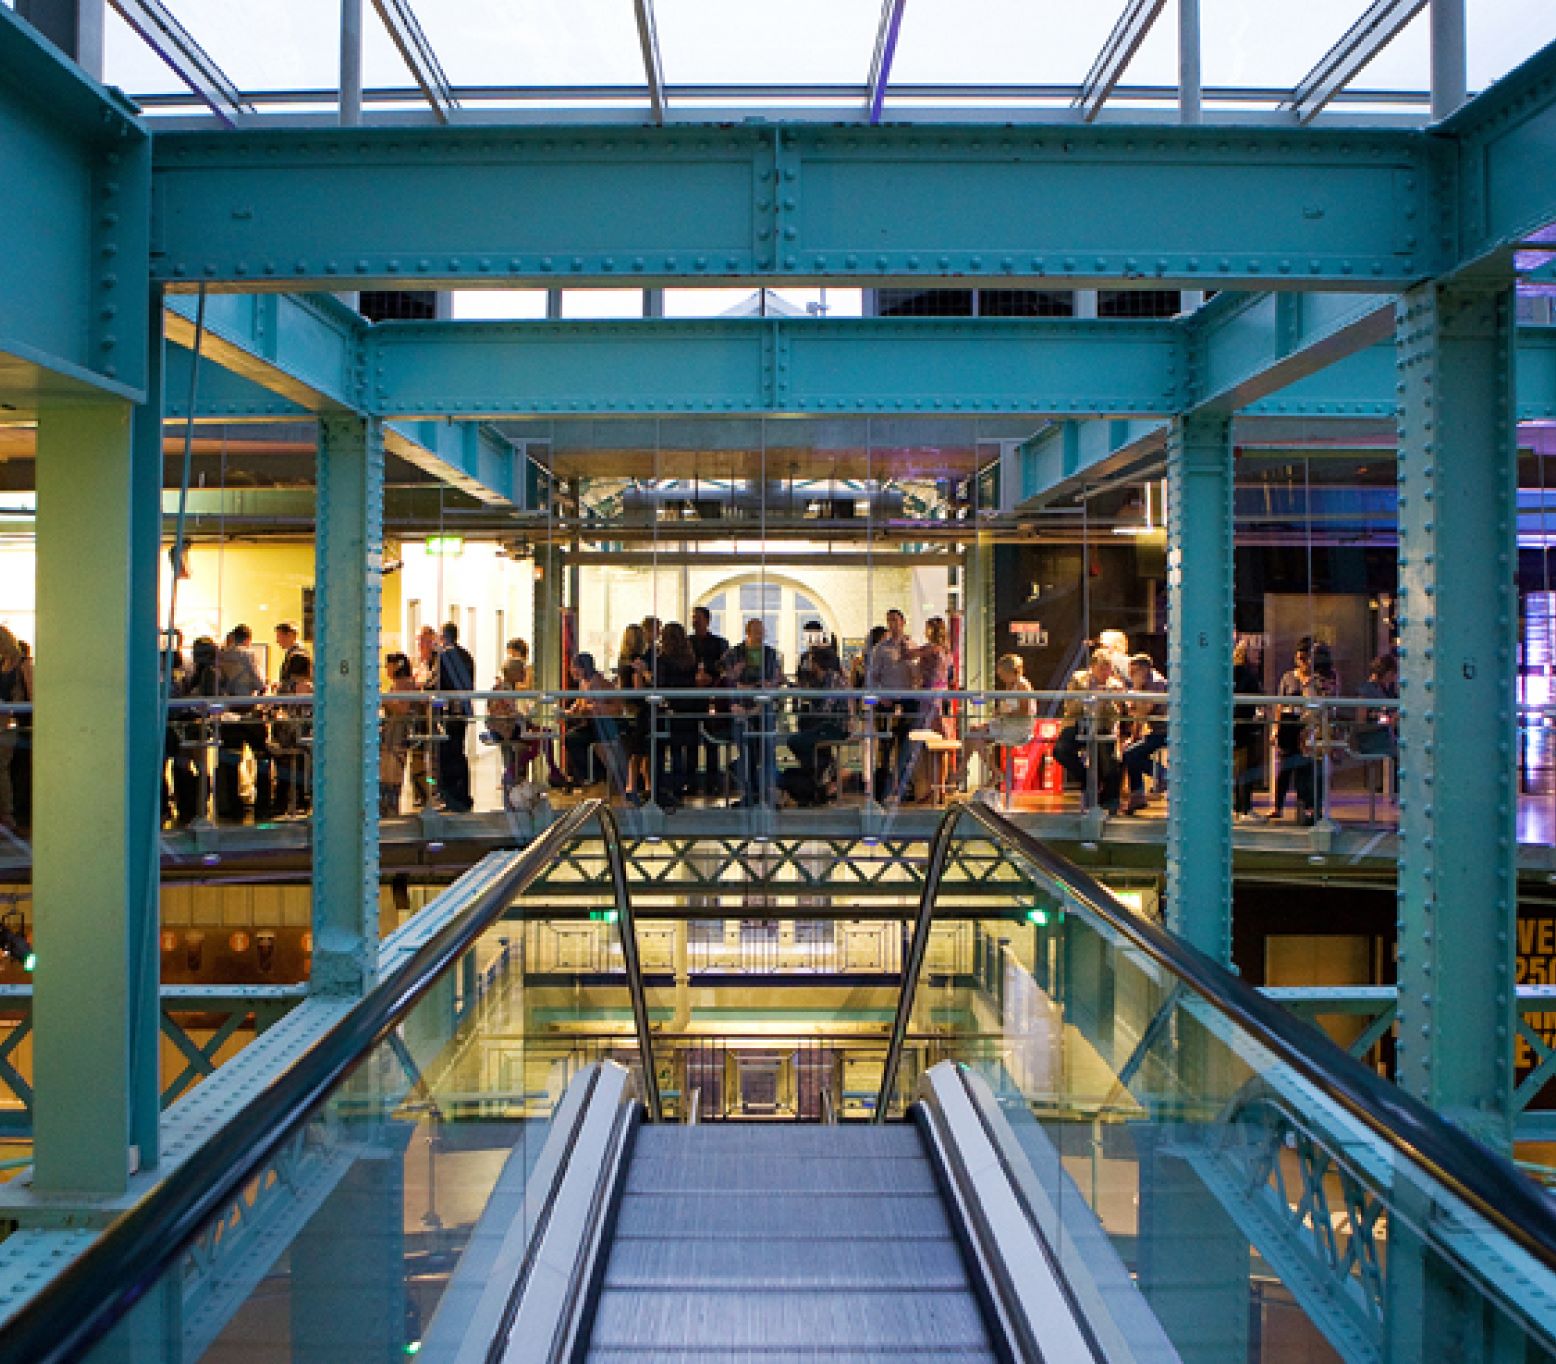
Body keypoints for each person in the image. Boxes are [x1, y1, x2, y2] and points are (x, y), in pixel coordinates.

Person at [720, 618, 784, 807]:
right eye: (756, 630)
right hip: (742, 709)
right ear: (748, 632)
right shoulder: (735, 653)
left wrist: (759, 685)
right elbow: (728, 679)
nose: (760, 634)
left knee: (767, 751)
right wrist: (743, 684)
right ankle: (749, 793)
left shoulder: (771, 654)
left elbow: (774, 680)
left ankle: (766, 793)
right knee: (746, 751)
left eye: (761, 630)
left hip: (763, 709)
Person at [1054, 646, 1124, 814]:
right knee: (1061, 750)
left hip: (1103, 726)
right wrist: (1088, 698)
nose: (1105, 672)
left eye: (1108, 668)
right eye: (1102, 668)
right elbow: (1070, 707)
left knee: (1110, 758)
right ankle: (1088, 780)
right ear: (1092, 666)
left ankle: (1109, 799)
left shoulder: (1115, 685)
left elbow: (1117, 714)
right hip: (1078, 722)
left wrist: (1107, 700)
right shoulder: (1079, 680)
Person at [216, 624, 272, 820]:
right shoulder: (249, 655)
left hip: (228, 714)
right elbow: (259, 682)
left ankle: (232, 806)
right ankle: (263, 805)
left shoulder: (220, 656)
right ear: (248, 638)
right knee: (262, 757)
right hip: (249, 713)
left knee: (230, 761)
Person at [865, 609, 918, 803]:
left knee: (905, 745)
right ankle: (882, 791)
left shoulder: (912, 646)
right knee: (885, 746)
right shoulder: (880, 649)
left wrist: (910, 659)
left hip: (907, 700)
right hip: (887, 701)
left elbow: (917, 675)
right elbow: (873, 676)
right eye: (889, 621)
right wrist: (880, 696)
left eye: (895, 620)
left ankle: (904, 789)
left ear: (903, 622)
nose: (892, 624)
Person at [786, 640, 848, 804]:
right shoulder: (818, 681)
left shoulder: (832, 679)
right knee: (805, 737)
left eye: (811, 660)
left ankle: (821, 774)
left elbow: (825, 709)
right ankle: (820, 776)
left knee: (795, 741)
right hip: (823, 725)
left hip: (835, 726)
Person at [965, 654, 1035, 798]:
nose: (1001, 678)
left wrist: (1005, 712)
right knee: (971, 732)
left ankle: (994, 773)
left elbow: (1025, 711)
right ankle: (970, 769)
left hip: (1017, 728)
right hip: (1006, 723)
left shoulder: (1022, 686)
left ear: (1011, 672)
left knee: (976, 736)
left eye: (1003, 675)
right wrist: (999, 712)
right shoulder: (1010, 685)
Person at [563, 653, 626, 794]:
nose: (571, 671)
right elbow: (581, 704)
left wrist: (589, 708)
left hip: (607, 723)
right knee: (571, 738)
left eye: (574, 668)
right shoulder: (584, 683)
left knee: (576, 739)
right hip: (593, 723)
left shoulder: (599, 684)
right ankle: (588, 775)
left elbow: (615, 708)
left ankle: (597, 775)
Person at [655, 622, 699, 805]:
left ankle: (668, 787)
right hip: (690, 709)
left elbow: (661, 685)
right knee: (686, 748)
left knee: (670, 749)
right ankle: (685, 783)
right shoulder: (691, 659)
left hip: (671, 710)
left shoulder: (663, 661)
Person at [434, 621, 476, 813]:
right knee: (459, 752)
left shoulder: (445, 656)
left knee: (447, 754)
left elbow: (440, 686)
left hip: (450, 713)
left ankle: (451, 796)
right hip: (464, 711)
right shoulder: (467, 656)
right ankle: (463, 794)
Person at [1120, 653, 1168, 815]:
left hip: (1169, 731)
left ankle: (1164, 776)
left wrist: (1137, 688)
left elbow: (1142, 712)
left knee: (1131, 753)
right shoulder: (1146, 683)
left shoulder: (1155, 682)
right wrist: (1134, 738)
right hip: (1158, 730)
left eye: (1134, 671)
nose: (1131, 674)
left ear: (1144, 669)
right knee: (1130, 752)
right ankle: (1138, 794)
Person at [688, 606, 729, 796]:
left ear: (707, 620)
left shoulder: (719, 644)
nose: (694, 621)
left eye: (697, 618)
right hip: (693, 696)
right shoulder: (688, 643)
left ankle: (713, 781)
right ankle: (692, 781)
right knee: (691, 741)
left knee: (712, 739)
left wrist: (711, 679)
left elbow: (724, 669)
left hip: (712, 696)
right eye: (693, 618)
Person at [270, 651, 313, 817]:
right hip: (302, 734)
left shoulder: (282, 687)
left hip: (283, 734)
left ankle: (280, 801)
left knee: (283, 770)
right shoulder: (309, 688)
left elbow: (275, 708)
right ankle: (302, 801)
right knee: (302, 767)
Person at [616, 623, 652, 806]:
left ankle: (636, 786)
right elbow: (639, 689)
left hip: (628, 708)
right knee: (641, 751)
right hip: (640, 709)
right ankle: (640, 786)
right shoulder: (638, 661)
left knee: (635, 750)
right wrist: (646, 676)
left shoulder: (622, 661)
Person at [0, 626, 32, 833]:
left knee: (2, 766)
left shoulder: (22, 666)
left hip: (13, 726)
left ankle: (7, 813)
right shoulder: (4, 665)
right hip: (7, 724)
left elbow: (31, 694)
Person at [380, 652, 417, 816]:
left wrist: (385, 699)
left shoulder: (404, 684)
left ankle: (391, 809)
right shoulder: (398, 684)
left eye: (388, 665)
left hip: (397, 734)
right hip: (391, 733)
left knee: (393, 772)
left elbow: (403, 708)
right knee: (387, 772)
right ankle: (388, 807)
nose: (386, 669)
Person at [408, 626, 440, 810]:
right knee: (417, 756)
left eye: (427, 641)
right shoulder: (415, 662)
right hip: (416, 716)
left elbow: (429, 686)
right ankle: (419, 792)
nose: (422, 645)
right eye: (420, 641)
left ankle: (432, 789)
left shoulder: (437, 664)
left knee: (433, 757)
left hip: (432, 716)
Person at [1232, 641, 1265, 819]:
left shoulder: (1237, 672)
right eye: (1255, 652)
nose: (1259, 656)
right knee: (1244, 769)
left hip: (1239, 726)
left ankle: (1239, 808)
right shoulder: (1244, 673)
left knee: (1239, 769)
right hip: (1243, 727)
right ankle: (1244, 808)